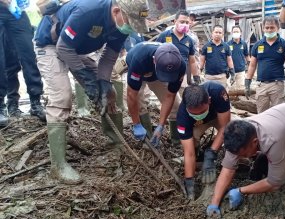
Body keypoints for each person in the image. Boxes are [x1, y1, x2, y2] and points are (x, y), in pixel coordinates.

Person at [34, 0, 149, 184]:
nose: (130, 28)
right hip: (51, 45)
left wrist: (103, 82)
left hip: (77, 48)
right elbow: (63, 48)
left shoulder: (120, 26)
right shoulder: (88, 11)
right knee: (62, 96)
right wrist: (88, 81)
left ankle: (115, 143)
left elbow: (109, 56)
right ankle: (58, 165)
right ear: (117, 11)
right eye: (130, 22)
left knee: (109, 93)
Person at [176, 82, 231, 199]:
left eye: (201, 111)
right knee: (193, 140)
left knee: (232, 133)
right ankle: (199, 160)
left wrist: (211, 154)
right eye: (194, 113)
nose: (199, 114)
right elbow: (188, 152)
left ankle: (231, 158)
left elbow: (225, 126)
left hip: (218, 116)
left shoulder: (218, 92)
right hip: (197, 124)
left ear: (209, 101)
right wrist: (189, 180)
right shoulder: (182, 117)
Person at [126, 42, 186, 146]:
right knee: (139, 101)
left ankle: (176, 141)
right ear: (154, 59)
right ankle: (147, 137)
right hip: (139, 69)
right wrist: (136, 124)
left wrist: (161, 125)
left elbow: (170, 95)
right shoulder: (140, 59)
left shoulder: (180, 65)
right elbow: (131, 94)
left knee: (176, 105)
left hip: (156, 75)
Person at [0, 0, 46, 123]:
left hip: (15, 10)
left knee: (28, 54)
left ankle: (36, 102)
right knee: (3, 59)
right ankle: (3, 106)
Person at [245, 16, 285, 113]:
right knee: (262, 114)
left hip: (278, 85)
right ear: (263, 28)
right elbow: (252, 65)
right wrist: (247, 82)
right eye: (267, 28)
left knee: (279, 113)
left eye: (272, 27)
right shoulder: (257, 45)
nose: (269, 30)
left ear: (278, 28)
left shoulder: (283, 44)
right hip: (261, 85)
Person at [157, 10, 199, 87]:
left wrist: (196, 76)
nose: (185, 24)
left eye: (187, 22)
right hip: (165, 74)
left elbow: (192, 61)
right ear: (175, 21)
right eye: (182, 22)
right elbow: (155, 54)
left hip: (181, 76)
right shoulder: (164, 36)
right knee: (166, 97)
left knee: (180, 97)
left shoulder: (189, 40)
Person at [200, 25, 235, 89]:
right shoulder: (206, 46)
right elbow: (202, 61)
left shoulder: (226, 46)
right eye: (216, 32)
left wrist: (232, 73)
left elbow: (229, 60)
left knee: (221, 96)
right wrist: (199, 72)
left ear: (222, 34)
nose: (218, 34)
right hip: (209, 77)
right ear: (212, 33)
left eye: (220, 33)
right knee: (208, 96)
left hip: (222, 77)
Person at [227, 25, 249, 92]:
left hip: (241, 71)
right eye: (234, 32)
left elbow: (247, 55)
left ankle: (239, 103)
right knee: (230, 90)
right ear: (231, 33)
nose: (236, 33)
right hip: (230, 72)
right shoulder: (227, 44)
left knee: (240, 90)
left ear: (240, 33)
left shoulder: (244, 44)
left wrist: (249, 65)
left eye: (237, 31)